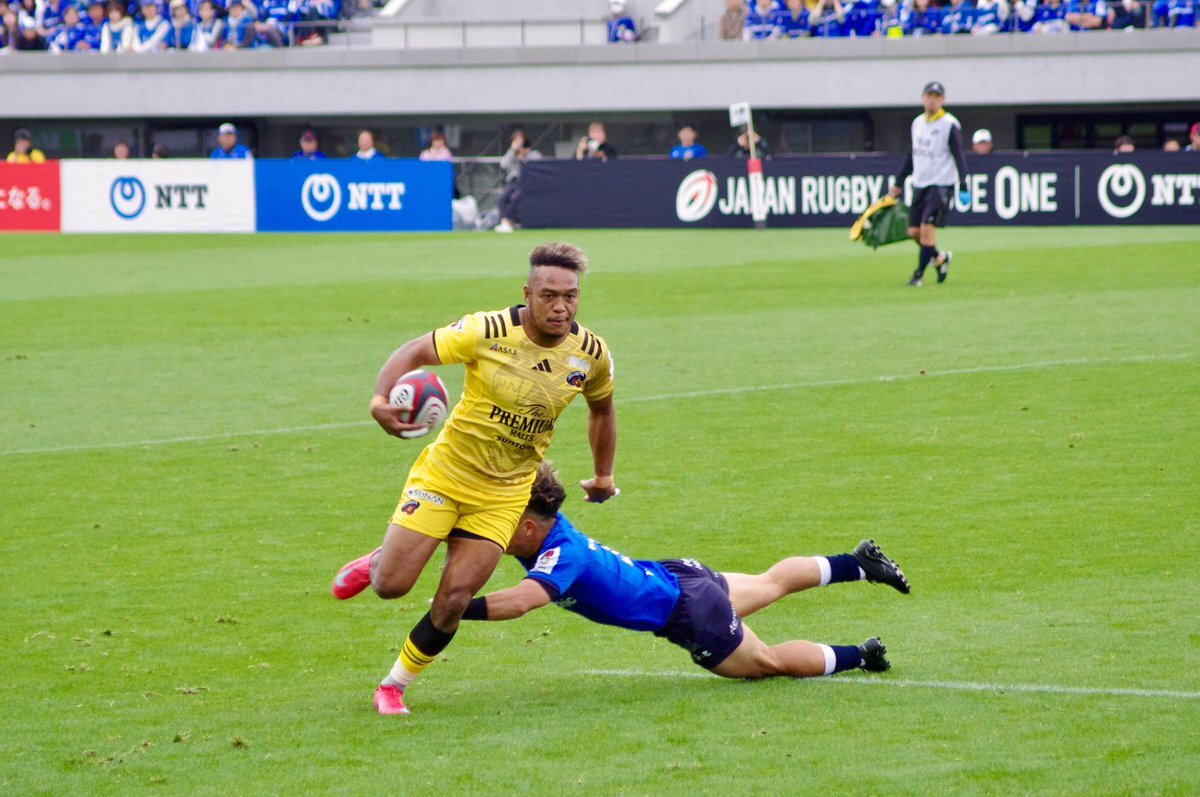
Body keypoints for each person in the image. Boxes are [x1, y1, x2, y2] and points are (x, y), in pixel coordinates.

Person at [330, 242, 620, 717]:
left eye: (570, 296)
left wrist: (604, 476)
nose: (560, 307)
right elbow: (414, 351)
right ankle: (380, 561)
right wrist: (379, 401)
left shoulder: (590, 354)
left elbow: (602, 410)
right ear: (527, 294)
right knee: (391, 586)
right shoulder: (487, 330)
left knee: (454, 599)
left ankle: (393, 686)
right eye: (548, 296)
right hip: (445, 476)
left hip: (504, 495)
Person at [460, 463, 908, 680]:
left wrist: (455, 608)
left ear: (529, 526)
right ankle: (857, 564)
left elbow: (520, 602)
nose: (494, 530)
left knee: (764, 664)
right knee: (770, 582)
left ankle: (861, 654)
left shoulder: (561, 555)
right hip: (680, 577)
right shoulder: (550, 525)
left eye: (504, 522)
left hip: (687, 611)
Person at [889, 81, 969, 288]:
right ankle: (940, 259)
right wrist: (898, 182)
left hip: (940, 185)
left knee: (926, 230)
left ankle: (917, 276)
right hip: (920, 183)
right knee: (913, 232)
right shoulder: (917, 123)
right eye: (929, 96)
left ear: (942, 100)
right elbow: (911, 155)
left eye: (936, 97)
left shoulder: (949, 124)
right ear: (923, 98)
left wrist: (963, 184)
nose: (932, 100)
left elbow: (959, 156)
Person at [496, 132, 542, 233]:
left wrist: (525, 155)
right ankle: (504, 222)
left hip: (527, 183)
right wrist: (512, 151)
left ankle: (508, 222)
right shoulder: (512, 155)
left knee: (515, 197)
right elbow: (503, 164)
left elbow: (538, 164)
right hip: (514, 182)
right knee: (502, 198)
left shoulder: (533, 154)